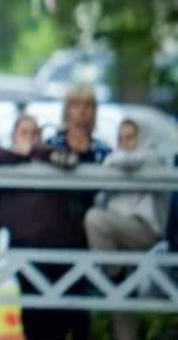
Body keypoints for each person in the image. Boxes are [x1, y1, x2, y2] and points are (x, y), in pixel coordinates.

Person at [0, 89, 111, 340]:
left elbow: (69, 162)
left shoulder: (98, 150)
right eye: (76, 105)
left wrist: (35, 150)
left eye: (87, 106)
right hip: (31, 242)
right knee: (37, 318)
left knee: (77, 315)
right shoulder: (50, 146)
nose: (82, 112)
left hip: (75, 238)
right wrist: (26, 151)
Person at [83, 118, 169, 340]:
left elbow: (133, 161)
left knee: (94, 219)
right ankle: (117, 278)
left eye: (130, 137)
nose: (125, 143)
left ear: (142, 137)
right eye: (121, 138)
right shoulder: (115, 164)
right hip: (117, 237)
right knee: (124, 304)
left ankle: (113, 275)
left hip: (144, 230)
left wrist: (112, 163)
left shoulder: (153, 158)